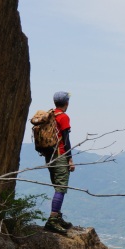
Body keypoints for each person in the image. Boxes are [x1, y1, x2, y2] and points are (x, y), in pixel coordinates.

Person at [44, 91, 76, 234]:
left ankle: (57, 217)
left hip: (49, 156)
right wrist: (70, 158)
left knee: (57, 186)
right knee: (61, 188)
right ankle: (52, 220)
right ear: (66, 103)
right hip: (60, 154)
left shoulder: (50, 115)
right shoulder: (63, 117)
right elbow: (66, 139)